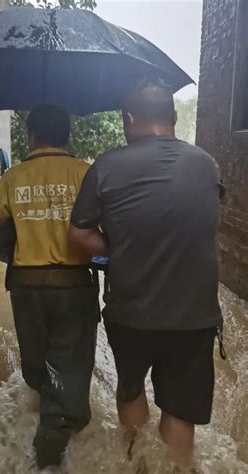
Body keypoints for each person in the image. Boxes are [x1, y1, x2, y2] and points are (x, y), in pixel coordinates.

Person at [69, 79, 223, 468]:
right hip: (195, 316)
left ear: (130, 119)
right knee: (180, 408)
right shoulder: (207, 165)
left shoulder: (106, 166)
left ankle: (136, 461)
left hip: (131, 312)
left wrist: (116, 246)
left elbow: (79, 235)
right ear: (172, 118)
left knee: (131, 387)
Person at [0, 104, 100, 470]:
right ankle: (53, 451)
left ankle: (43, 426)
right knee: (70, 365)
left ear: (32, 136)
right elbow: (99, 234)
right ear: (66, 136)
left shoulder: (11, 177)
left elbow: (3, 234)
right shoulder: (87, 174)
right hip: (73, 287)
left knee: (37, 362)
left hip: (26, 288)